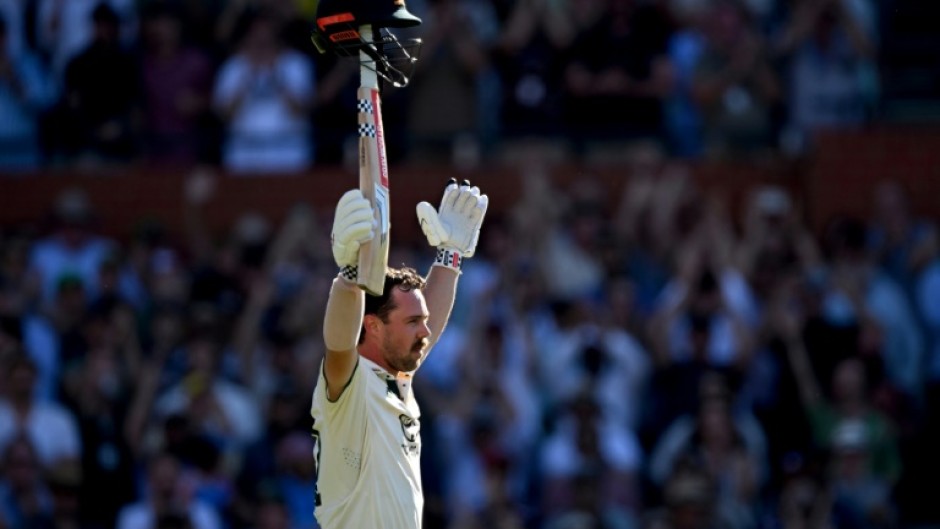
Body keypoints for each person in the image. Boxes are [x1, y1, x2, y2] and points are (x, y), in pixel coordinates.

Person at [310, 179, 488, 528]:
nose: (426, 330)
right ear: (373, 326)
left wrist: (450, 257)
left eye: (422, 320)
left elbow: (426, 331)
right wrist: (348, 277)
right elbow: (339, 342)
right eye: (412, 321)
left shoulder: (397, 381)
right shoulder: (352, 384)